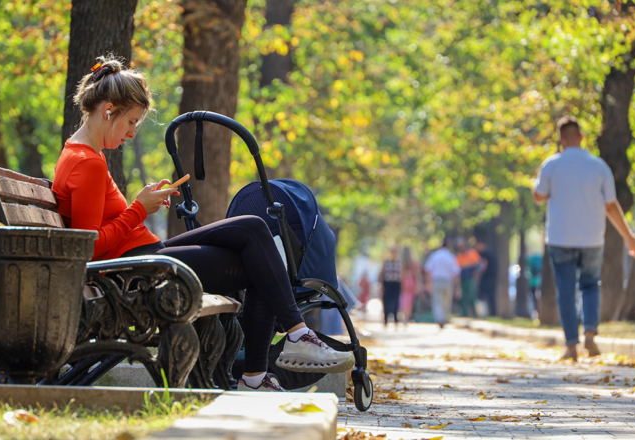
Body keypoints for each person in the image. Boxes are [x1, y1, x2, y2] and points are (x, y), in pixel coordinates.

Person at [52, 55, 353, 391]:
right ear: (108, 110)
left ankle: (287, 345)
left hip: (143, 258)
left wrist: (141, 204)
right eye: (131, 122)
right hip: (136, 273)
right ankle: (275, 357)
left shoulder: (82, 155)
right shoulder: (87, 163)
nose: (132, 134)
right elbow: (89, 247)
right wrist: (139, 208)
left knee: (253, 228)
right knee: (261, 259)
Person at [533, 116, 635, 361]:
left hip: (560, 238)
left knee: (566, 290)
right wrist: (629, 237)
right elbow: (611, 206)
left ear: (560, 140)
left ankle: (571, 346)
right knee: (591, 285)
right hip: (592, 238)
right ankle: (590, 332)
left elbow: (539, 196)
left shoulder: (551, 164)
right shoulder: (598, 166)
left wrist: (537, 183)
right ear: (582, 137)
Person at [424, 239, 461, 328]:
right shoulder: (451, 256)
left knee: (437, 301)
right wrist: (457, 286)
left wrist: (428, 283)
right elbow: (456, 272)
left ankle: (439, 318)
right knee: (446, 301)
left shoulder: (434, 256)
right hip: (448, 281)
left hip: (436, 281)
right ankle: (444, 318)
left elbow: (428, 270)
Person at [455, 237, 481, 317]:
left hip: (471, 279)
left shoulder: (472, 253)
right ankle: (464, 313)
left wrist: (477, 275)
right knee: (463, 296)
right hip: (462, 279)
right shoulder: (458, 256)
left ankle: (475, 313)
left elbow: (479, 266)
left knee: (472, 296)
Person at [378, 245, 403, 328]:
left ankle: (396, 319)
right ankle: (386, 319)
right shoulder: (386, 262)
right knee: (386, 301)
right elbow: (382, 273)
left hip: (396, 283)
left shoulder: (400, 262)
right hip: (387, 283)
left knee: (396, 301)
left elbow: (402, 274)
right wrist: (381, 285)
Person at [475, 239, 497, 316]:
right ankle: (484, 313)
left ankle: (491, 313)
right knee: (483, 296)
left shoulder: (486, 256)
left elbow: (483, 266)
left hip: (488, 278)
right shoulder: (484, 255)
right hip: (487, 278)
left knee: (488, 296)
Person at [399, 247, 421, 325]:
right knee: (409, 300)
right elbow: (417, 275)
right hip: (411, 282)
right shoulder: (414, 263)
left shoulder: (401, 263)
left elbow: (400, 274)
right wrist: (418, 284)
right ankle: (407, 316)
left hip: (404, 282)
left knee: (403, 299)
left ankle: (404, 315)